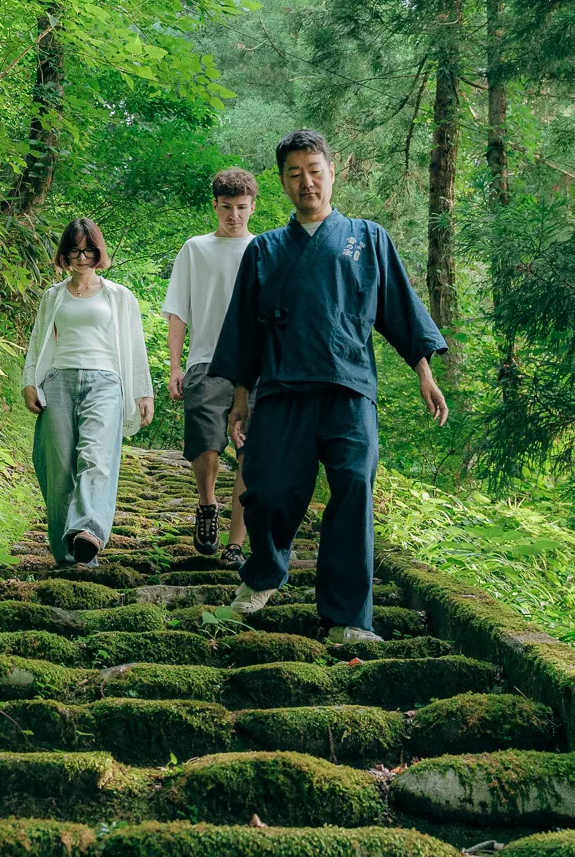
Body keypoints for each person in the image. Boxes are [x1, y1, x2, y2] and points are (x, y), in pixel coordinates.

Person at [208, 129, 450, 643]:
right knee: (269, 490)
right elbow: (244, 330)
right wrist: (240, 400)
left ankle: (346, 618)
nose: (306, 183)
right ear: (281, 183)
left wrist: (424, 372)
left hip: (349, 387)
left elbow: (400, 309)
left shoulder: (369, 238)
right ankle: (262, 576)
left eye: (314, 171)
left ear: (332, 173)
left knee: (354, 492)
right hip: (280, 388)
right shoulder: (266, 250)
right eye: (294, 174)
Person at [22, 218, 155, 566]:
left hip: (105, 382)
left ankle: (88, 531)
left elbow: (135, 346)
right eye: (75, 251)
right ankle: (68, 554)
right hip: (58, 381)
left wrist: (143, 392)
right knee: (58, 466)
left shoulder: (119, 296)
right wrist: (29, 382)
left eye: (88, 250)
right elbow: (38, 343)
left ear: (99, 253)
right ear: (64, 255)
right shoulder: (53, 296)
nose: (82, 258)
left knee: (96, 457)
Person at [163, 168, 260, 563]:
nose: (233, 216)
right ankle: (207, 505)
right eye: (226, 208)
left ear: (253, 206)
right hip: (206, 359)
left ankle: (235, 545)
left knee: (248, 451)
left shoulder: (264, 249)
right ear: (215, 206)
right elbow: (177, 311)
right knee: (205, 442)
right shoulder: (195, 248)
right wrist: (174, 366)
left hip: (255, 365)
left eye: (241, 208)